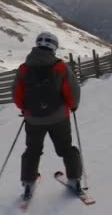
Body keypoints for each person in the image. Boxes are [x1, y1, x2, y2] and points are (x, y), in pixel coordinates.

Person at [11, 32, 82, 199]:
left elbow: (16, 94)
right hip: (59, 118)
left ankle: (28, 184)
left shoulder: (24, 68)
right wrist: (73, 106)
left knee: (33, 150)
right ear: (54, 47)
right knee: (66, 148)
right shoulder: (60, 67)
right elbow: (72, 91)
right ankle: (75, 179)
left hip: (33, 119)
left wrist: (25, 108)